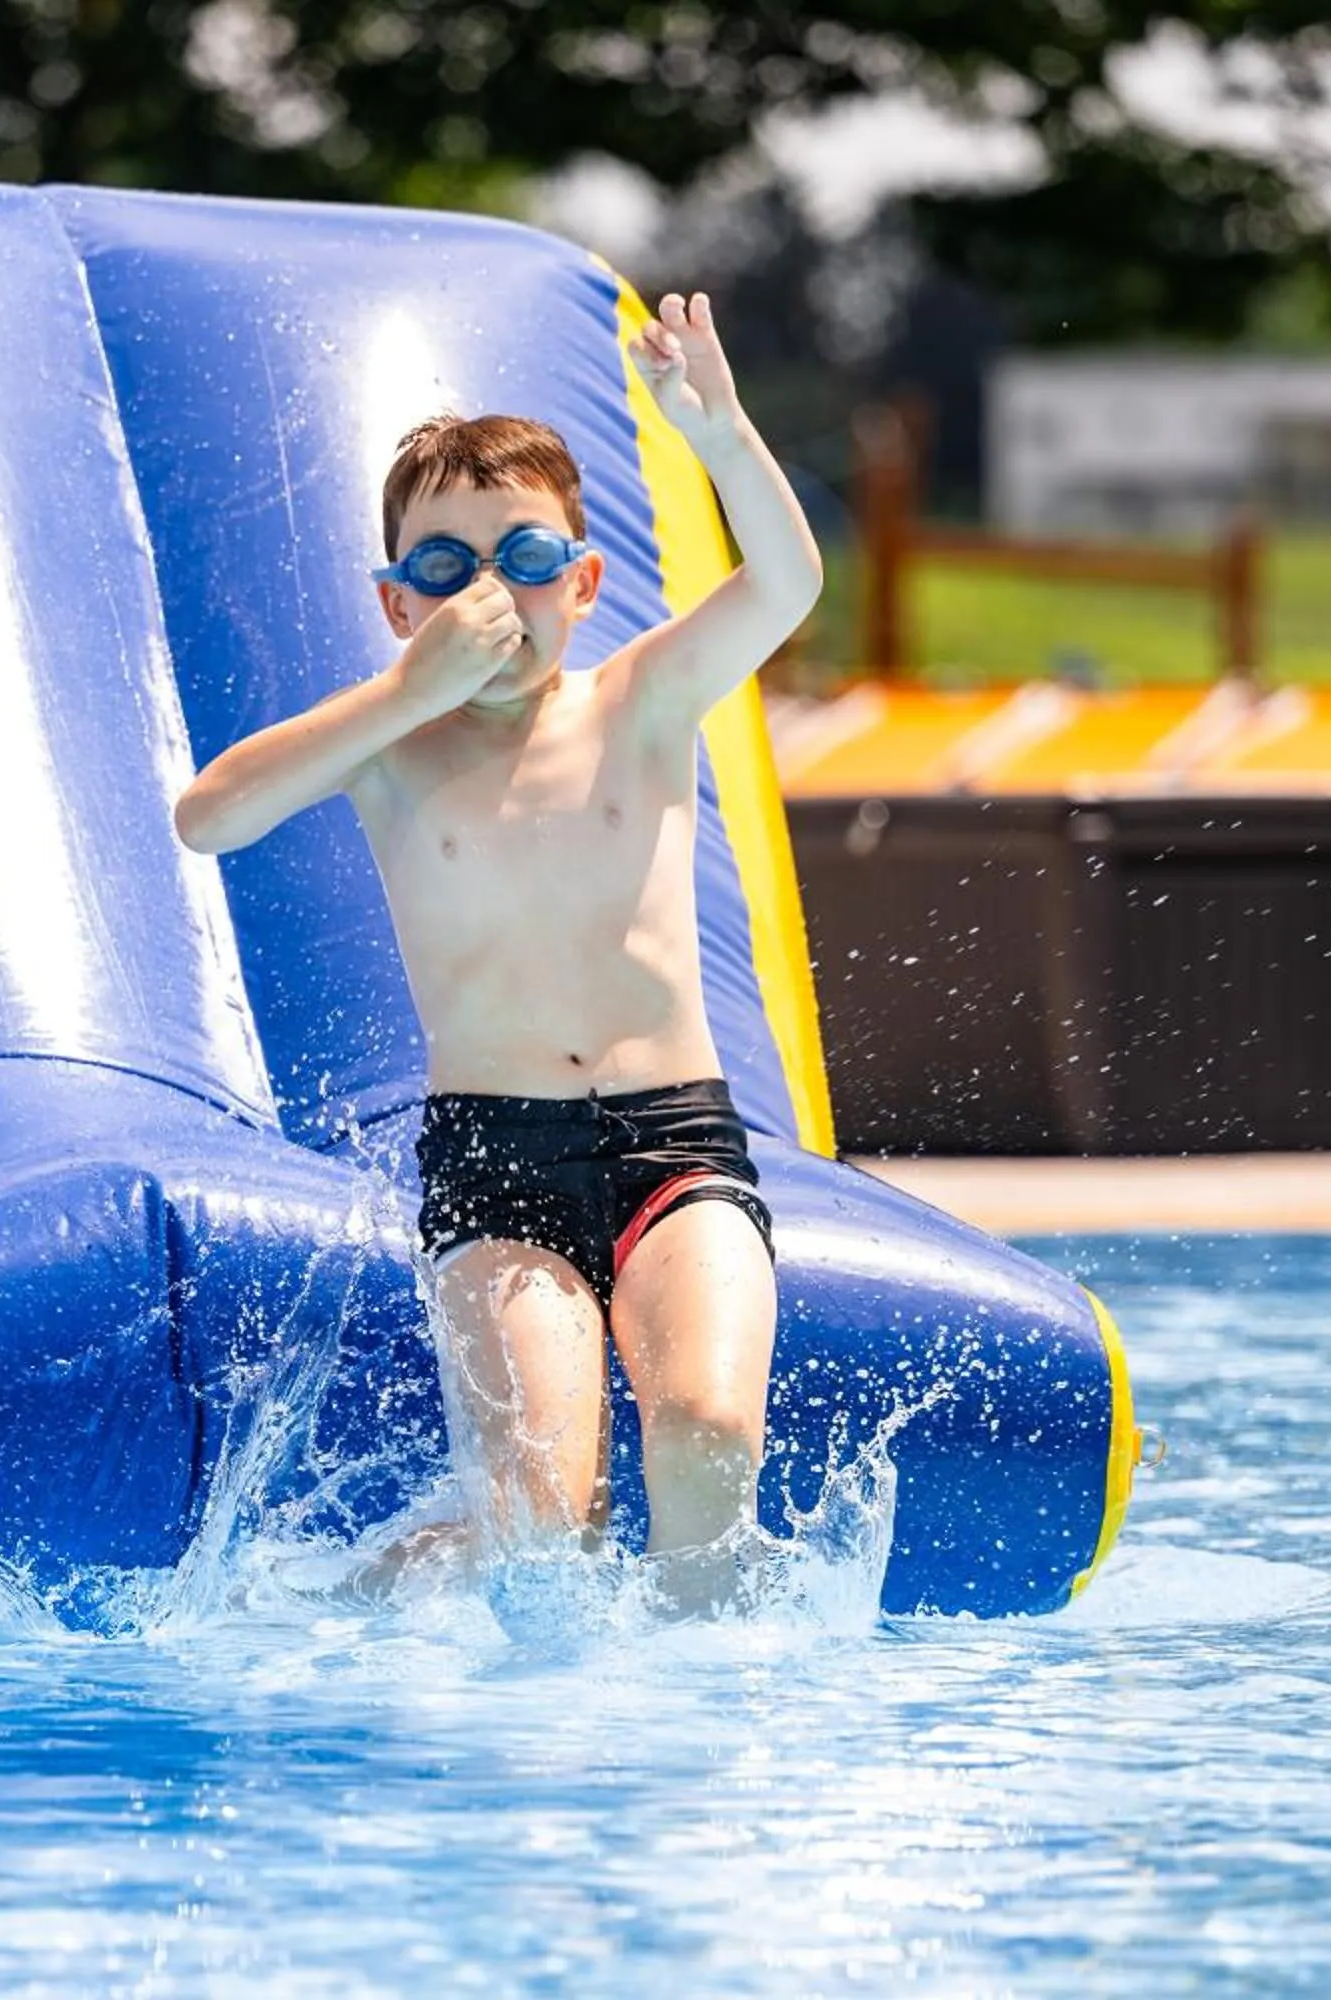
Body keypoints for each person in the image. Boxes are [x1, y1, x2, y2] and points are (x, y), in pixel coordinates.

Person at [172, 292, 823, 1606]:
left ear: (582, 581)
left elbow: (789, 586)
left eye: (525, 559)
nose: (492, 594)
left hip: (676, 1139)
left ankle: (692, 1743)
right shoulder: (393, 752)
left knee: (708, 1435)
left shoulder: (643, 703)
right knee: (537, 1520)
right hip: (493, 1158)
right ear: (397, 604)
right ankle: (341, 1601)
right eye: (444, 570)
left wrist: (725, 435)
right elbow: (210, 817)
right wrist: (400, 696)